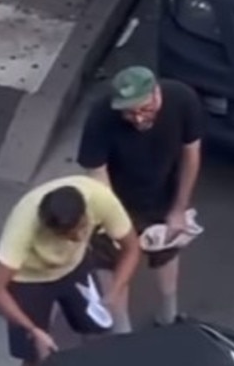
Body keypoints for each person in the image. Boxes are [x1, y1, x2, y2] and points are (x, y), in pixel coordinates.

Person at [77, 65, 203, 332]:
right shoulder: (101, 116)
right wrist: (116, 226)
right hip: (116, 199)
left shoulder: (182, 99)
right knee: (111, 263)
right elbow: (97, 175)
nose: (137, 118)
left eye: (144, 109)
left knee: (167, 253)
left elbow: (191, 154)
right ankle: (121, 331)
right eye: (129, 112)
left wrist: (179, 208)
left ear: (157, 93)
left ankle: (169, 314)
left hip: (162, 192)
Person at [0, 176, 141, 366]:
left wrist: (115, 291)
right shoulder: (22, 226)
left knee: (98, 327)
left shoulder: (100, 199)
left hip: (74, 266)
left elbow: (132, 249)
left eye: (82, 229)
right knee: (35, 353)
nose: (77, 238)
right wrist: (32, 329)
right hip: (29, 278)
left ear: (85, 213)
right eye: (67, 236)